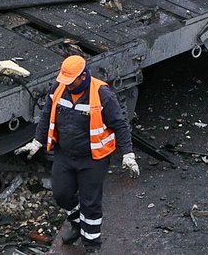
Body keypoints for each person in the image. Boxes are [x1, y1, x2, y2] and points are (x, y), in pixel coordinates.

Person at [16, 55, 139, 253]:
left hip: (93, 159)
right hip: (65, 155)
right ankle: (78, 224)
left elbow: (120, 126)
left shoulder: (102, 95)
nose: (66, 85)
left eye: (70, 81)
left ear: (83, 77)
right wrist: (37, 141)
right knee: (61, 194)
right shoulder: (58, 89)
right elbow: (47, 115)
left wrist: (128, 154)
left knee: (90, 203)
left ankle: (91, 245)